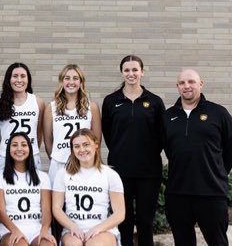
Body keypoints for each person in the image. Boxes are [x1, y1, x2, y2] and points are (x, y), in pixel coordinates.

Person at [163, 69, 232, 246]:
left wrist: (217, 172)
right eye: (182, 83)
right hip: (178, 192)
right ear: (177, 86)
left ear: (201, 84)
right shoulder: (168, 116)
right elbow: (169, 149)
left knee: (217, 242)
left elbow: (231, 148)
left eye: (191, 82)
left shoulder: (218, 113)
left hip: (211, 192)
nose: (186, 86)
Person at [100, 55, 165, 246]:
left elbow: (161, 135)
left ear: (142, 72)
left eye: (135, 70)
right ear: (122, 72)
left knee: (145, 222)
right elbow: (108, 134)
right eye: (127, 70)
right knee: (124, 221)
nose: (131, 74)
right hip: (120, 171)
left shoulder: (155, 102)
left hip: (149, 171)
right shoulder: (111, 101)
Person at [52, 129, 125, 246]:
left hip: (103, 229)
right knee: (73, 244)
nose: (82, 150)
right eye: (77, 146)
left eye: (86, 145)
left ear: (96, 145)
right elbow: (56, 208)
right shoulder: (63, 174)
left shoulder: (110, 174)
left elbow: (120, 213)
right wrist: (72, 227)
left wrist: (98, 228)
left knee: (95, 244)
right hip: (72, 229)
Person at [0, 133, 55, 246]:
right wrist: (15, 230)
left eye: (24, 145)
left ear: (30, 149)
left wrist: (45, 229)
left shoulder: (43, 177)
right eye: (14, 145)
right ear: (8, 149)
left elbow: (46, 210)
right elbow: (1, 211)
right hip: (10, 230)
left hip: (37, 229)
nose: (19, 149)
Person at [42, 64, 101, 182]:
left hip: (83, 163)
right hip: (59, 163)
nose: (71, 82)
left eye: (75, 78)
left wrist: (88, 159)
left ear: (81, 82)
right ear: (62, 81)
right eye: (67, 78)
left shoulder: (92, 107)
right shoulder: (51, 108)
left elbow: (96, 139)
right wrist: (57, 156)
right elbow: (48, 140)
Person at [0, 62, 45, 172]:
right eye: (15, 76)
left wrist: (31, 149)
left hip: (31, 156)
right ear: (9, 79)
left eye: (23, 76)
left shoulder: (38, 102)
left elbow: (39, 133)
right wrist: (3, 152)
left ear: (28, 79)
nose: (19, 80)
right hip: (5, 157)